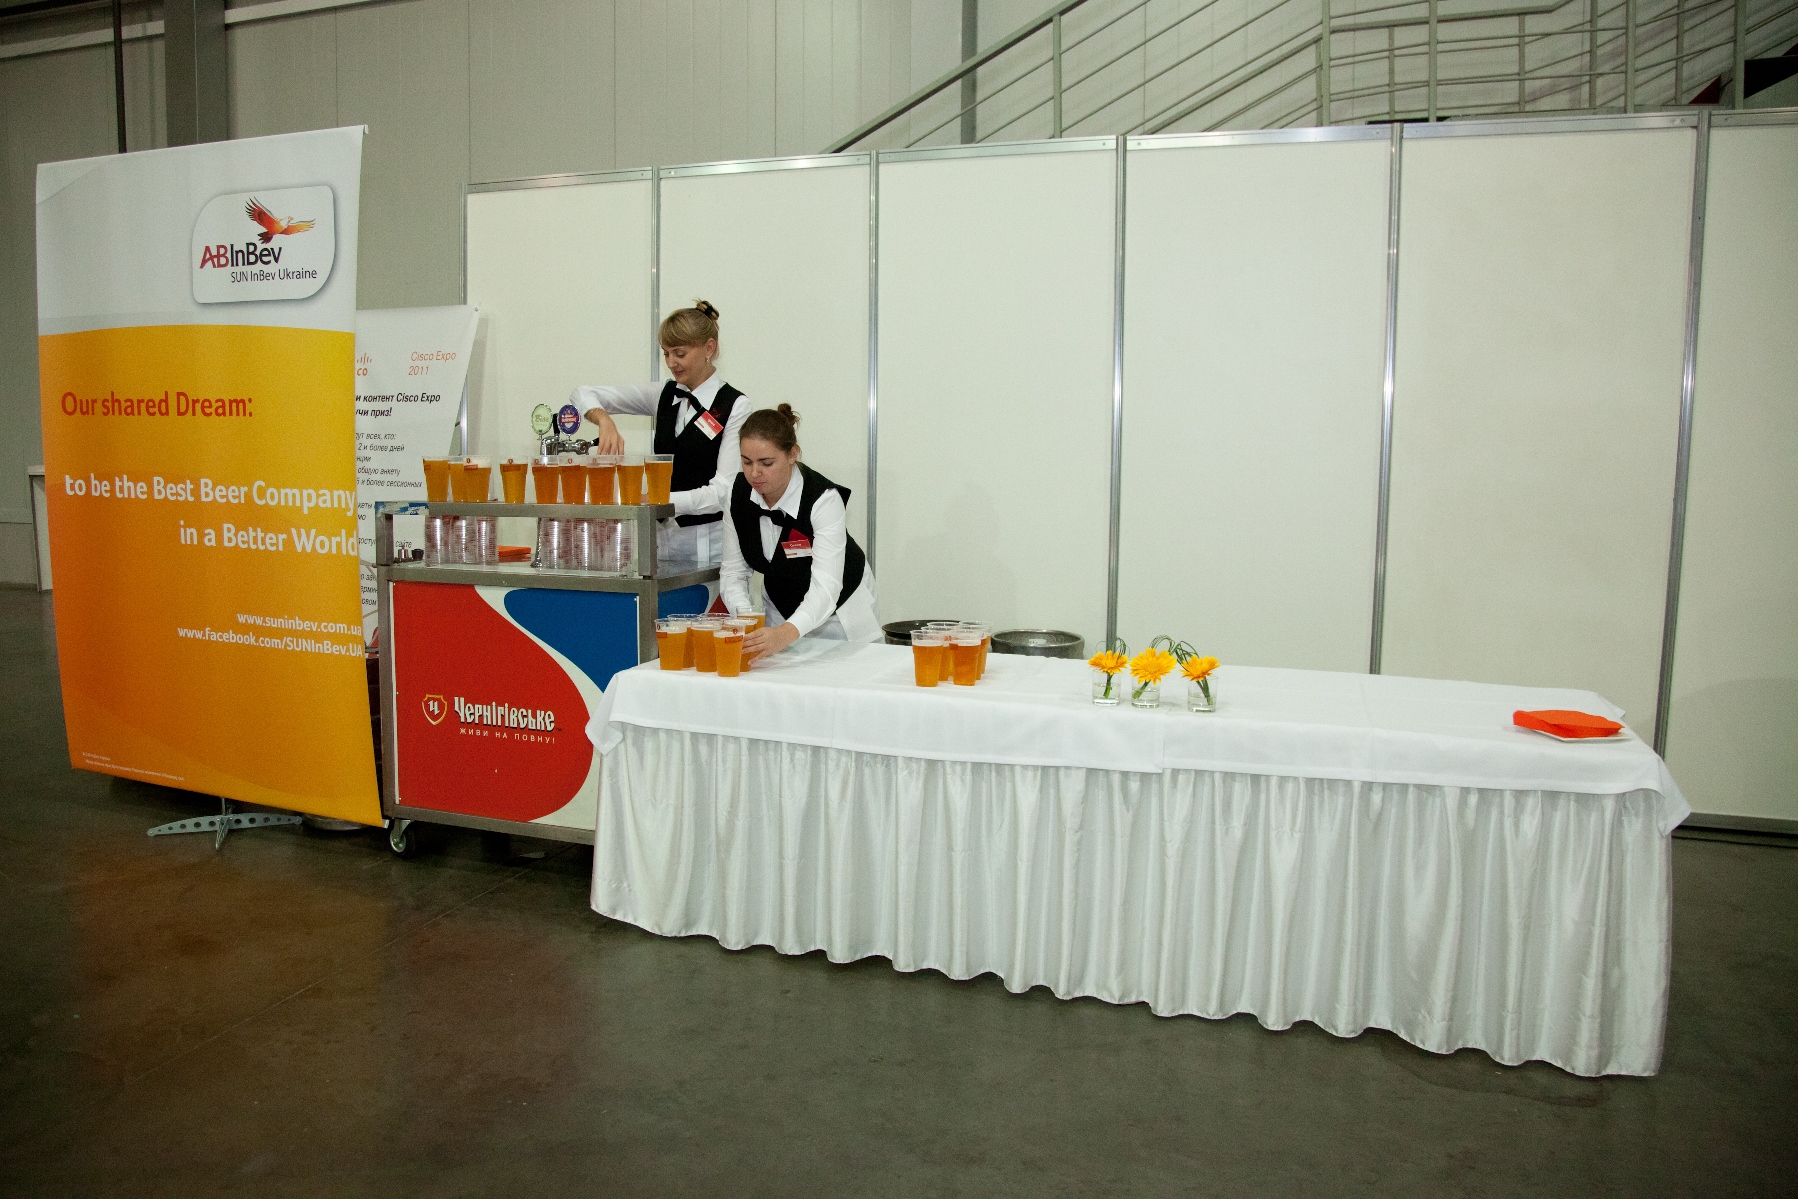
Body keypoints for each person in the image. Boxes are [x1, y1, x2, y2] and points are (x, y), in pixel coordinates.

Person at [567, 300, 746, 562]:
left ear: (709, 347)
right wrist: (604, 420)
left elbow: (722, 492)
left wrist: (657, 499)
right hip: (661, 542)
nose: (671, 362)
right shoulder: (663, 394)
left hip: (711, 546)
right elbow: (582, 393)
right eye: (666, 354)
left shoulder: (735, 405)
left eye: (680, 353)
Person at [723, 405, 881, 659]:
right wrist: (745, 617)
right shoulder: (738, 495)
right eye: (746, 461)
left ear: (792, 454)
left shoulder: (823, 499)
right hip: (780, 609)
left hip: (841, 613)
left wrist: (786, 633)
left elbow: (826, 586)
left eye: (766, 463)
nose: (754, 473)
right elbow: (733, 571)